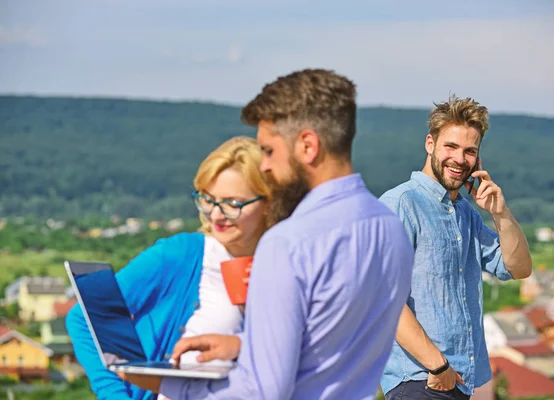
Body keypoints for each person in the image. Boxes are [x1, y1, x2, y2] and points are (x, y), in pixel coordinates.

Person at [119, 68, 414, 399]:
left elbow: (262, 391)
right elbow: (332, 340)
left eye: (269, 151)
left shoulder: (287, 244)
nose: (264, 167)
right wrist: (244, 345)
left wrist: (167, 385)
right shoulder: (392, 230)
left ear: (308, 146)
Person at [66, 136, 272, 400]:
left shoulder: (283, 264)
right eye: (208, 200)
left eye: (232, 204)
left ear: (268, 203)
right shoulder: (181, 255)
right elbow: (84, 318)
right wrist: (115, 396)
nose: (217, 215)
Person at [379, 95, 533, 400]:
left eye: (470, 151)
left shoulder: (467, 214)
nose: (459, 159)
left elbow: (519, 267)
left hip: (458, 383)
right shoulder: (401, 204)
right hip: (421, 381)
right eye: (450, 147)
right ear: (430, 144)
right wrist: (438, 368)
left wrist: (500, 214)